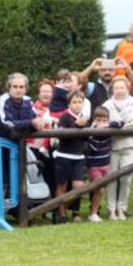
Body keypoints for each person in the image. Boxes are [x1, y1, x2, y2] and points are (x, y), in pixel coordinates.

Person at [102, 76, 133, 220]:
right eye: (117, 88)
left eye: (122, 87)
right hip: (112, 146)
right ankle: (111, 210)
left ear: (127, 88)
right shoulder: (107, 105)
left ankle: (122, 208)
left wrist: (130, 125)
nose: (120, 90)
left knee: (126, 178)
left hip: (129, 144)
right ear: (112, 89)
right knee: (111, 179)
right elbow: (99, 123)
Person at [52, 91, 88, 224]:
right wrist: (76, 126)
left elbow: (86, 137)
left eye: (80, 102)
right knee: (62, 185)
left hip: (78, 156)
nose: (77, 105)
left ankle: (60, 209)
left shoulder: (84, 117)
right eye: (74, 102)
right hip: (63, 156)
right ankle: (61, 215)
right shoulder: (65, 117)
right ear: (69, 104)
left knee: (79, 186)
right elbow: (62, 136)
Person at [85, 106, 123, 223]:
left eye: (104, 120)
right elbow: (92, 147)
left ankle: (94, 211)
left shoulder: (108, 128)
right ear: (94, 120)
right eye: (99, 120)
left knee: (100, 189)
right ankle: (93, 213)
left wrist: (108, 125)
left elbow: (121, 123)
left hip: (105, 164)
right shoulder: (91, 132)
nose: (101, 123)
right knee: (99, 189)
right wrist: (97, 131)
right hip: (94, 165)